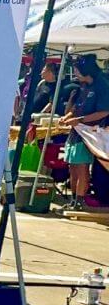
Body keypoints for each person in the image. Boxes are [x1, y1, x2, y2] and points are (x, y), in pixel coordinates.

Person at [59, 54, 109, 211]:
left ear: (86, 71)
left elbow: (104, 111)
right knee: (72, 167)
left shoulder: (102, 85)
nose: (75, 74)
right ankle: (74, 199)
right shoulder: (82, 86)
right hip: (76, 132)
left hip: (90, 134)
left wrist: (79, 120)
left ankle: (80, 201)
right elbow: (75, 108)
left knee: (82, 167)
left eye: (77, 71)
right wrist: (66, 118)